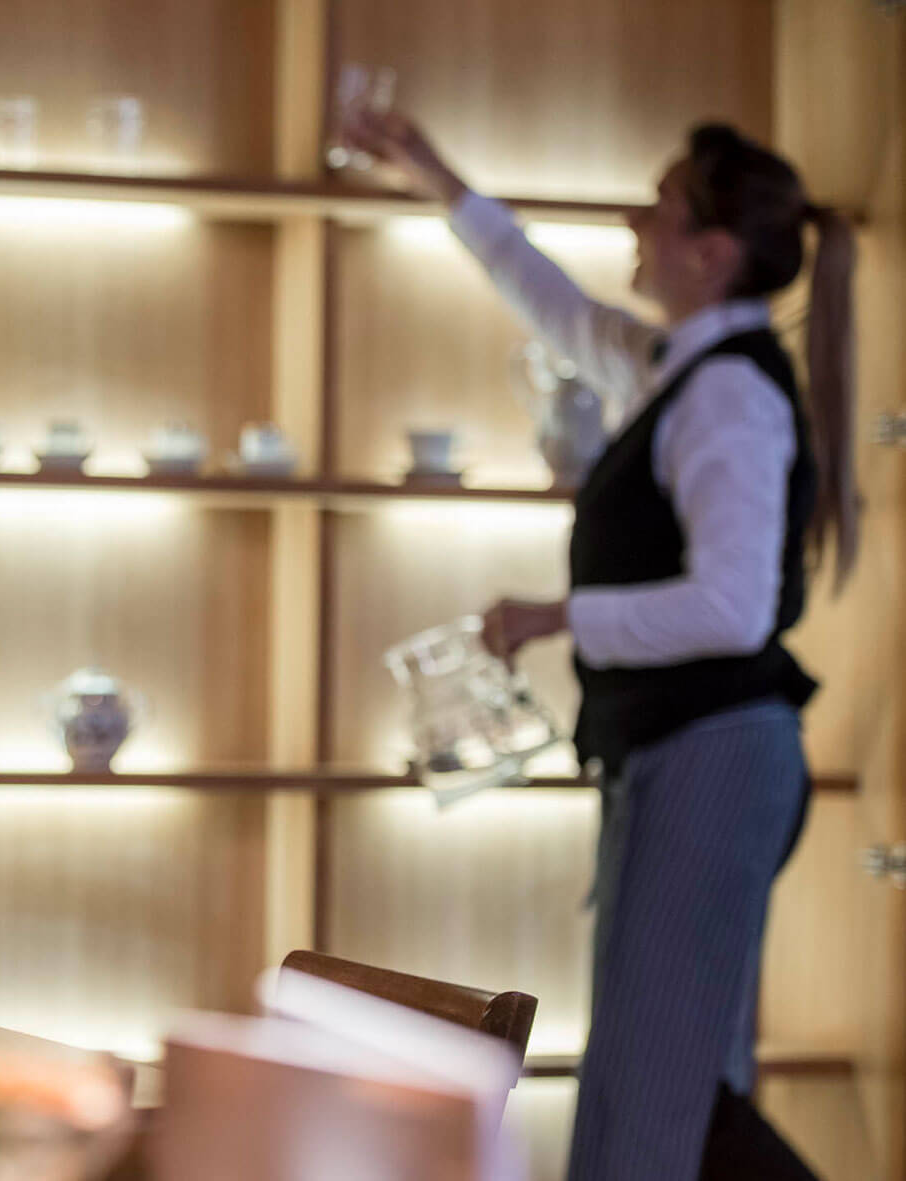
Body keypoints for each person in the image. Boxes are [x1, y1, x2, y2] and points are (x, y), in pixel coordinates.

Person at [346, 112, 858, 1180]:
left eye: (660, 208)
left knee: (656, 1096)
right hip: (682, 753)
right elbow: (549, 301)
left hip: (716, 753)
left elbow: (733, 609)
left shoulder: (726, 396)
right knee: (654, 1079)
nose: (634, 220)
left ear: (710, 253)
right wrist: (436, 172)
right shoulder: (676, 367)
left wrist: (556, 615)